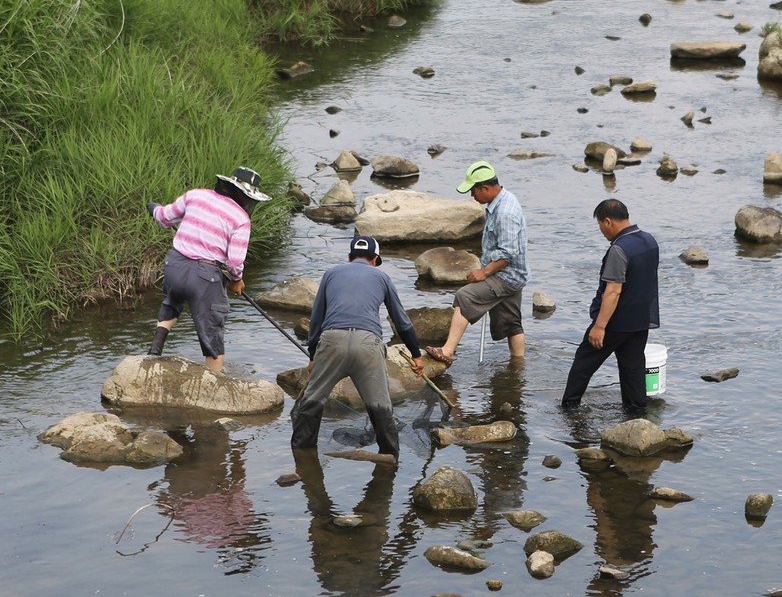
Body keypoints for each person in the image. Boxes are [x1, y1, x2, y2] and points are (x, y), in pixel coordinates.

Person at [291, 236, 425, 458]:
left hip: (332, 341)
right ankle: (389, 460)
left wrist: (314, 355)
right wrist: (416, 354)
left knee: (312, 400)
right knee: (380, 406)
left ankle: (303, 461)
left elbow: (316, 320)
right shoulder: (382, 277)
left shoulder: (331, 274)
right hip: (368, 344)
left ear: (349, 257)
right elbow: (402, 322)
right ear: (375, 259)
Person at [145, 166, 271, 373]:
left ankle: (155, 349)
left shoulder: (196, 195)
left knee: (173, 300)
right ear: (246, 197)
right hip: (204, 277)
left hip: (174, 266)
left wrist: (154, 208)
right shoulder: (241, 219)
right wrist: (236, 280)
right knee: (212, 327)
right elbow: (235, 262)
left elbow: (164, 217)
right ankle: (214, 380)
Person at [424, 161, 530, 366]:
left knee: (465, 297)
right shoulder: (501, 202)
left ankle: (447, 351)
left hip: (506, 275)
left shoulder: (506, 212)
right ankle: (518, 369)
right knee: (511, 324)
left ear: (486, 188)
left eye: (473, 191)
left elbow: (509, 252)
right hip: (513, 274)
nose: (472, 196)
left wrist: (484, 272)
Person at [561, 198, 659, 414]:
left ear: (607, 222)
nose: (601, 231)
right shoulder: (649, 241)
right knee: (632, 367)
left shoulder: (619, 249)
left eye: (600, 225)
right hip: (641, 321)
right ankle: (636, 413)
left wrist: (599, 326)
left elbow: (613, 291)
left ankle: (569, 408)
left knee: (583, 363)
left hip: (615, 322)